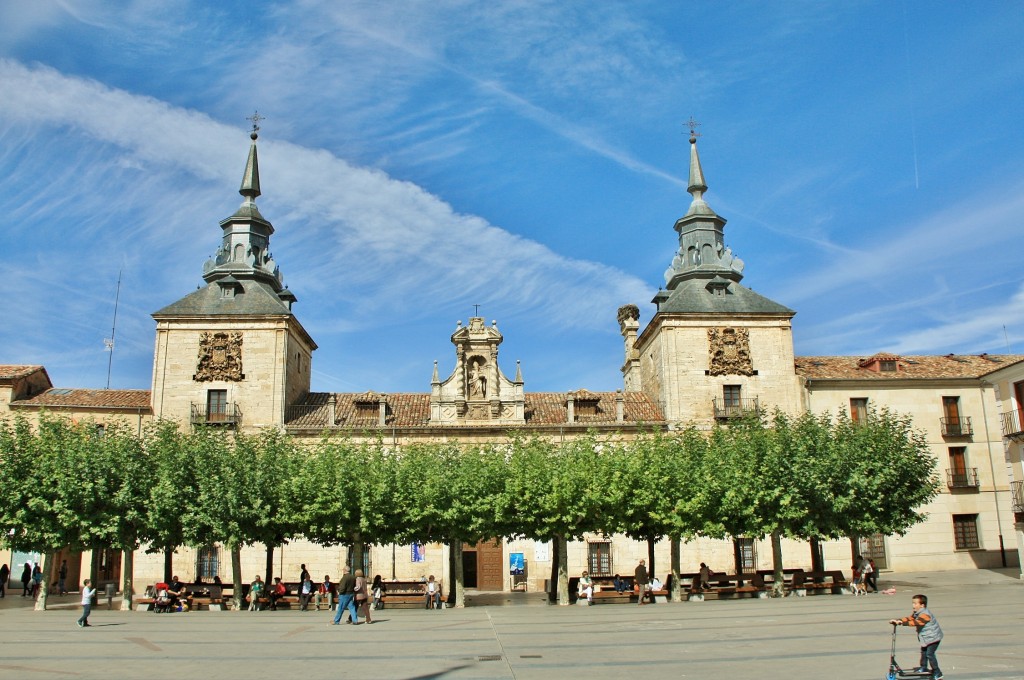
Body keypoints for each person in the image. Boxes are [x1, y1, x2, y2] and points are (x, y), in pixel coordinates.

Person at [889, 593, 943, 680]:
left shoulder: (925, 614)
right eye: (912, 603)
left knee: (929, 654)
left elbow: (917, 622)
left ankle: (937, 672)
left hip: (933, 638)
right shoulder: (917, 613)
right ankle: (923, 667)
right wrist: (898, 620)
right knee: (924, 652)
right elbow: (910, 618)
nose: (913, 605)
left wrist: (902, 623)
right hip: (927, 638)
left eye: (915, 603)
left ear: (922, 605)